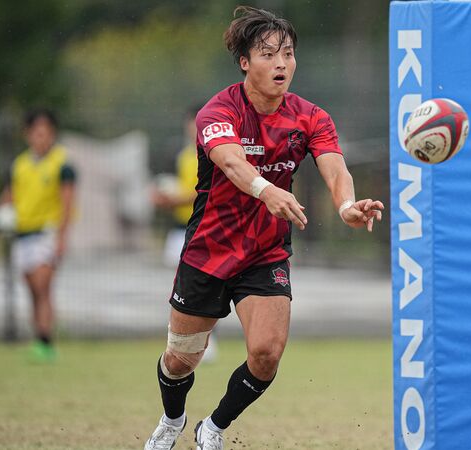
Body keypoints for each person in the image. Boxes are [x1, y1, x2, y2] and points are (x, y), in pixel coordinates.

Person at [143, 6, 384, 450]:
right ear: (244, 62)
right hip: (209, 250)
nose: (281, 64)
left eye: (287, 54)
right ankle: (172, 419)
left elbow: (335, 167)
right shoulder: (218, 111)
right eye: (268, 54)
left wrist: (347, 205)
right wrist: (265, 189)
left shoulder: (311, 117)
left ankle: (213, 427)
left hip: (265, 252)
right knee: (181, 360)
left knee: (267, 353)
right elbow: (231, 161)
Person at [0, 109, 77, 362]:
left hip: (47, 233)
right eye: (37, 133)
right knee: (33, 290)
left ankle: (47, 340)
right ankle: (41, 339)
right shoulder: (20, 165)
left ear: (53, 134)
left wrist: (62, 237)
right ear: (28, 135)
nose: (41, 138)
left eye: (46, 133)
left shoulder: (62, 163)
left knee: (43, 285)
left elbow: (67, 202)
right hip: (22, 234)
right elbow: (9, 196)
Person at [151, 106, 218, 362]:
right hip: (182, 229)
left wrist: (175, 198)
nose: (194, 129)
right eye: (191, 124)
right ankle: (180, 338)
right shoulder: (183, 156)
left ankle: (208, 339)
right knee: (179, 287)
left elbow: (203, 191)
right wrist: (165, 197)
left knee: (206, 286)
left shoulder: (215, 154)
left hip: (205, 228)